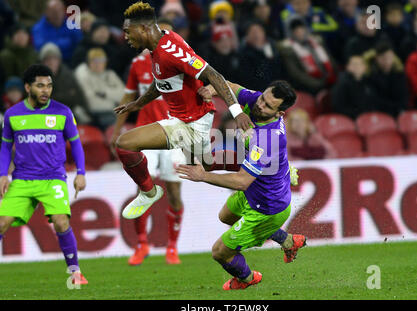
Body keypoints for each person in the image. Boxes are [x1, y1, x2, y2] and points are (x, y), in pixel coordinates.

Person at [113, 2, 253, 220]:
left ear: (142, 29)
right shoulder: (161, 43)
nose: (126, 37)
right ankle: (261, 164)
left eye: (127, 32)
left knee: (125, 144)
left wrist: (237, 112)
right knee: (207, 162)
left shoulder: (171, 50)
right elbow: (162, 80)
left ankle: (148, 192)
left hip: (191, 123)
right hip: (187, 118)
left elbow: (213, 75)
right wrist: (139, 103)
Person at [177, 80, 306, 290]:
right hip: (259, 188)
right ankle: (288, 241)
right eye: (263, 98)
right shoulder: (258, 101)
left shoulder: (268, 139)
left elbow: (241, 181)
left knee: (219, 252)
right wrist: (211, 89)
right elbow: (230, 85)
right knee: (225, 216)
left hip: (267, 207)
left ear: (279, 113)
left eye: (268, 106)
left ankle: (247, 278)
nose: (260, 105)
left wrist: (202, 176)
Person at [0, 64, 88, 285]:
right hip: (22, 180)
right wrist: (2, 174)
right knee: (2, 222)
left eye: (49, 85)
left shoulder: (63, 112)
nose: (45, 91)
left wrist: (81, 172)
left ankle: (75, 273)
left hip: (53, 180)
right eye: (40, 86)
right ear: (28, 87)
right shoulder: (12, 115)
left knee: (61, 222)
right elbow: (4, 147)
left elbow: (76, 145)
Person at [110, 19, 186, 266]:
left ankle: (172, 246)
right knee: (143, 189)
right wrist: (117, 131)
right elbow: (128, 96)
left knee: (174, 193)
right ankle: (142, 244)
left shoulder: (181, 61)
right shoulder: (139, 64)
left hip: (174, 135)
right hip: (146, 134)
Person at [75, 47, 125, 130]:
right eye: (95, 61)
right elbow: (90, 101)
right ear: (89, 62)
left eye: (102, 60)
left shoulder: (110, 74)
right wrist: (112, 101)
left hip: (111, 114)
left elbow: (124, 96)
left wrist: (105, 94)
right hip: (92, 115)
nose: (98, 64)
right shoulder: (83, 74)